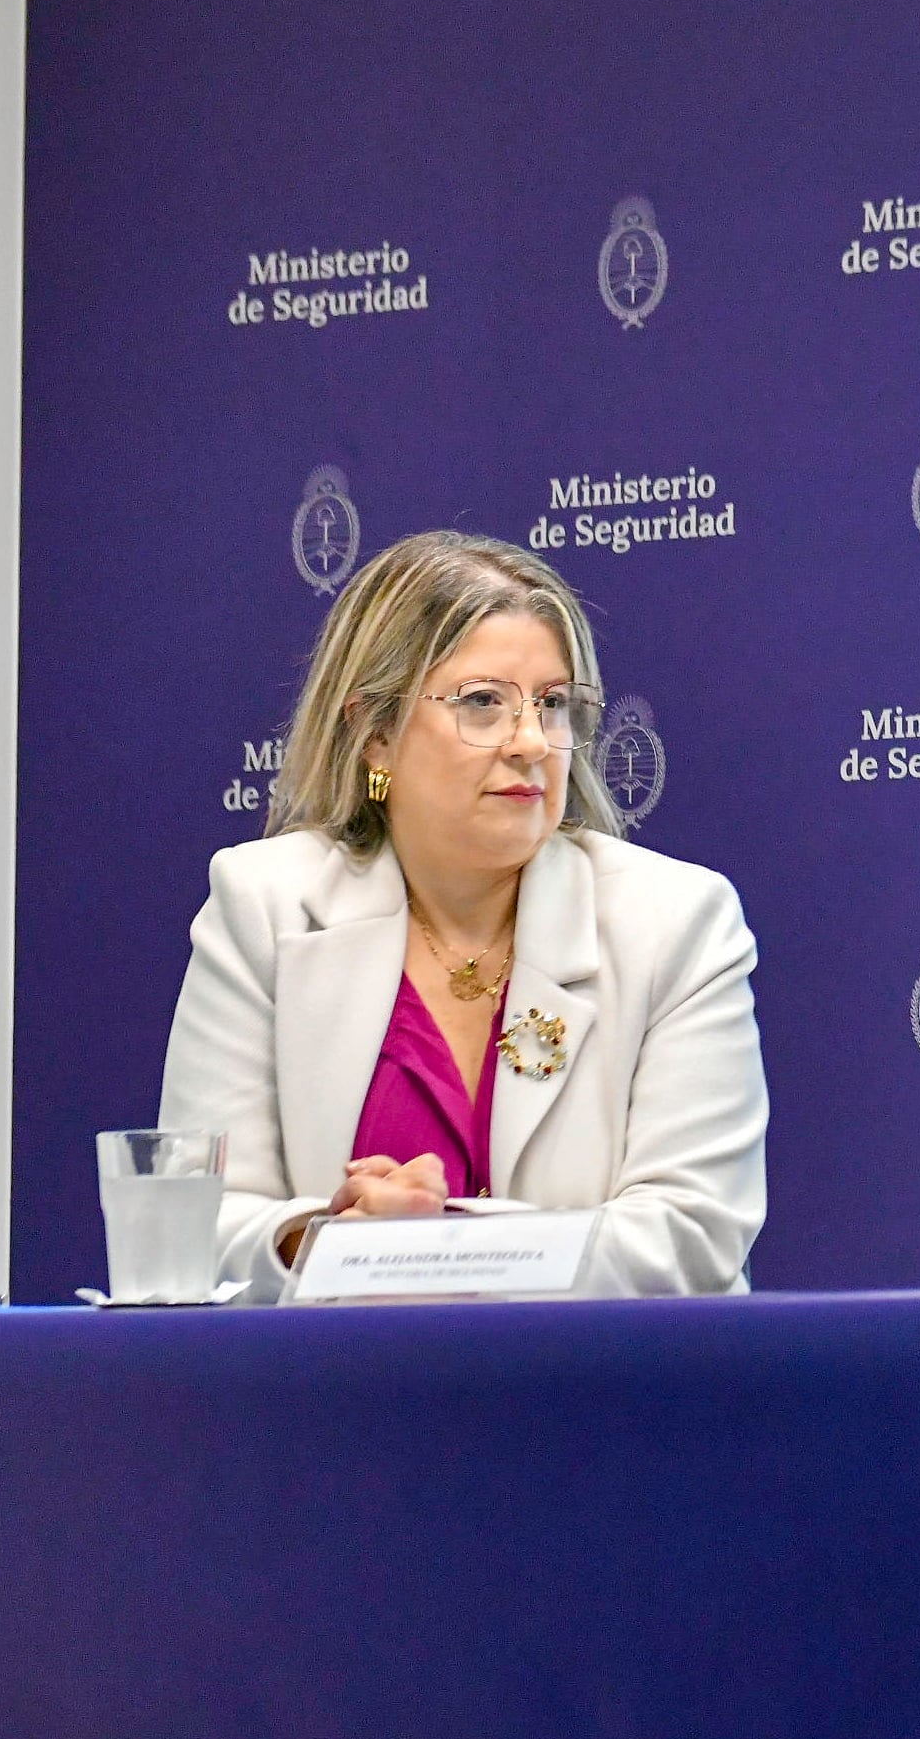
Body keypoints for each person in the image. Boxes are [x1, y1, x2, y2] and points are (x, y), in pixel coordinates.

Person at [158, 531, 768, 1295]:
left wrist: (428, 1242)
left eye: (552, 705)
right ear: (375, 733)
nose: (531, 741)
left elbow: (691, 1239)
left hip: (595, 1372)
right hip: (339, 1372)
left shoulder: (676, 923)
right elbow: (191, 1222)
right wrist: (317, 1238)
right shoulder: (265, 908)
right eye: (483, 702)